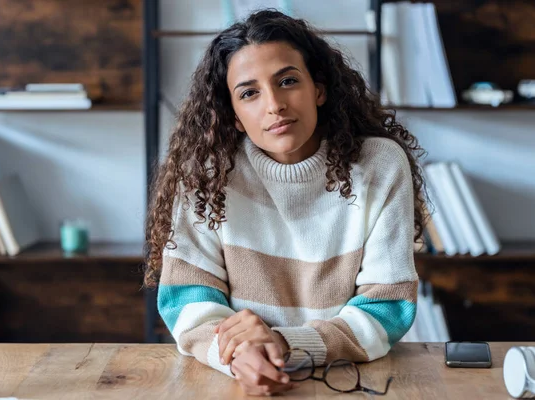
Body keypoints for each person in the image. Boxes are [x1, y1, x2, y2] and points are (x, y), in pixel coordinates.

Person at [144, 9, 426, 397]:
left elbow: (388, 307)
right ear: (236, 116)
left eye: (288, 81)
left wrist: (286, 344)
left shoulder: (379, 166)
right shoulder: (206, 174)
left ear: (319, 89)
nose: (274, 104)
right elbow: (186, 300)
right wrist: (238, 356)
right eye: (249, 93)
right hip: (235, 382)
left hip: (349, 382)